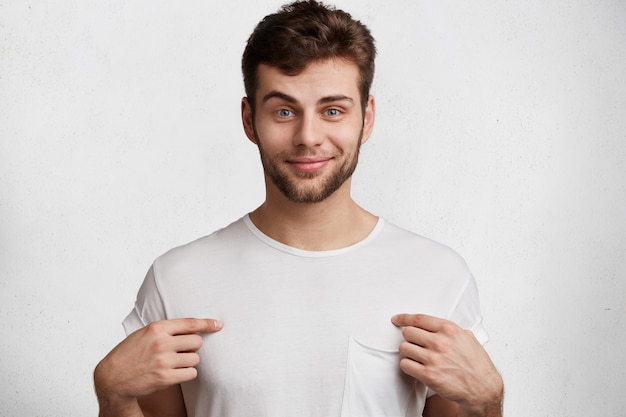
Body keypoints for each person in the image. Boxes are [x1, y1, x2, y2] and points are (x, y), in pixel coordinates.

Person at [93, 1, 504, 416]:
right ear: (250, 120)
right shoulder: (176, 280)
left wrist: (490, 404)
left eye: (332, 111)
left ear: (367, 117)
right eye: (284, 111)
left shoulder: (438, 276)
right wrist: (112, 397)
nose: (308, 136)